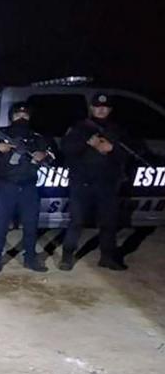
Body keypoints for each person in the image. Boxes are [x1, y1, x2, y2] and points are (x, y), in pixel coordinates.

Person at [59, 93, 129, 271]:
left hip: (107, 183)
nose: (101, 109)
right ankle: (67, 256)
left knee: (108, 223)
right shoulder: (80, 127)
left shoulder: (117, 129)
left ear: (110, 109)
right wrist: (87, 143)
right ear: (91, 108)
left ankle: (107, 257)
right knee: (77, 221)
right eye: (97, 106)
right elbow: (66, 149)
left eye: (105, 107)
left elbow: (129, 154)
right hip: (82, 183)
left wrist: (112, 148)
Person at [0, 102, 53, 273]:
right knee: (1, 225)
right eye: (17, 115)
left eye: (25, 115)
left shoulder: (36, 137)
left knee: (31, 225)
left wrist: (43, 155)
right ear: (11, 117)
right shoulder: (0, 135)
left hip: (29, 187)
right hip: (5, 186)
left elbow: (52, 155)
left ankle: (30, 259)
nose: (21, 118)